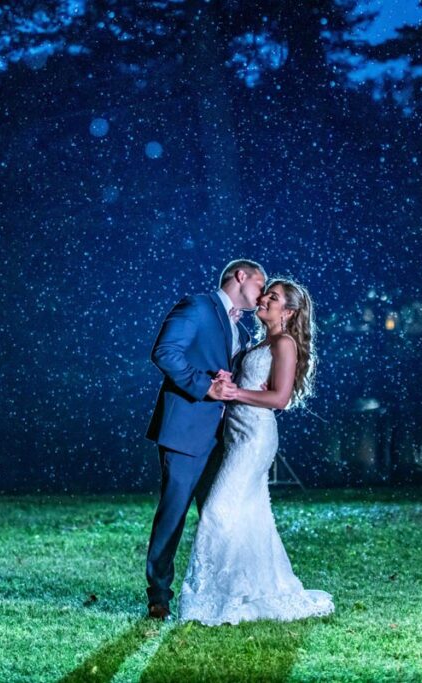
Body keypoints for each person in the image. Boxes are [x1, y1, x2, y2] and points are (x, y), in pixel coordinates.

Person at [178, 278, 334, 625]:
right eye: (265, 294)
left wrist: (236, 393)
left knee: (218, 510)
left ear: (288, 312)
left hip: (254, 437)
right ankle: (244, 589)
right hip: (236, 434)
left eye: (273, 297)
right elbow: (247, 383)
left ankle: (209, 597)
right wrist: (229, 381)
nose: (263, 299)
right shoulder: (259, 342)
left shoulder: (284, 343)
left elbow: (279, 398)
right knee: (248, 515)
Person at [144, 259, 267, 621]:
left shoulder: (239, 328)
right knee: (174, 512)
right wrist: (205, 386)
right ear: (241, 276)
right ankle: (159, 595)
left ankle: (219, 590)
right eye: (260, 284)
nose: (263, 294)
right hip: (187, 430)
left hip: (224, 436)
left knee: (220, 515)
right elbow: (165, 352)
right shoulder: (197, 306)